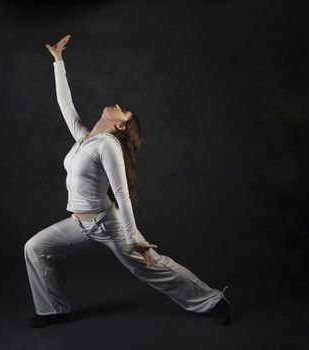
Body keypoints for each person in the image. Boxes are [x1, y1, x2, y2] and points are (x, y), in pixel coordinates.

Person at [24, 34, 231, 328]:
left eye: (123, 111)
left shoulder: (108, 144)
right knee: (34, 248)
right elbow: (64, 104)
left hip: (107, 224)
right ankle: (54, 310)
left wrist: (134, 238)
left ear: (120, 124)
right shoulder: (85, 138)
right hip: (78, 224)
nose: (117, 104)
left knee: (152, 267)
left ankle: (213, 300)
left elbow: (121, 192)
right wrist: (58, 61)